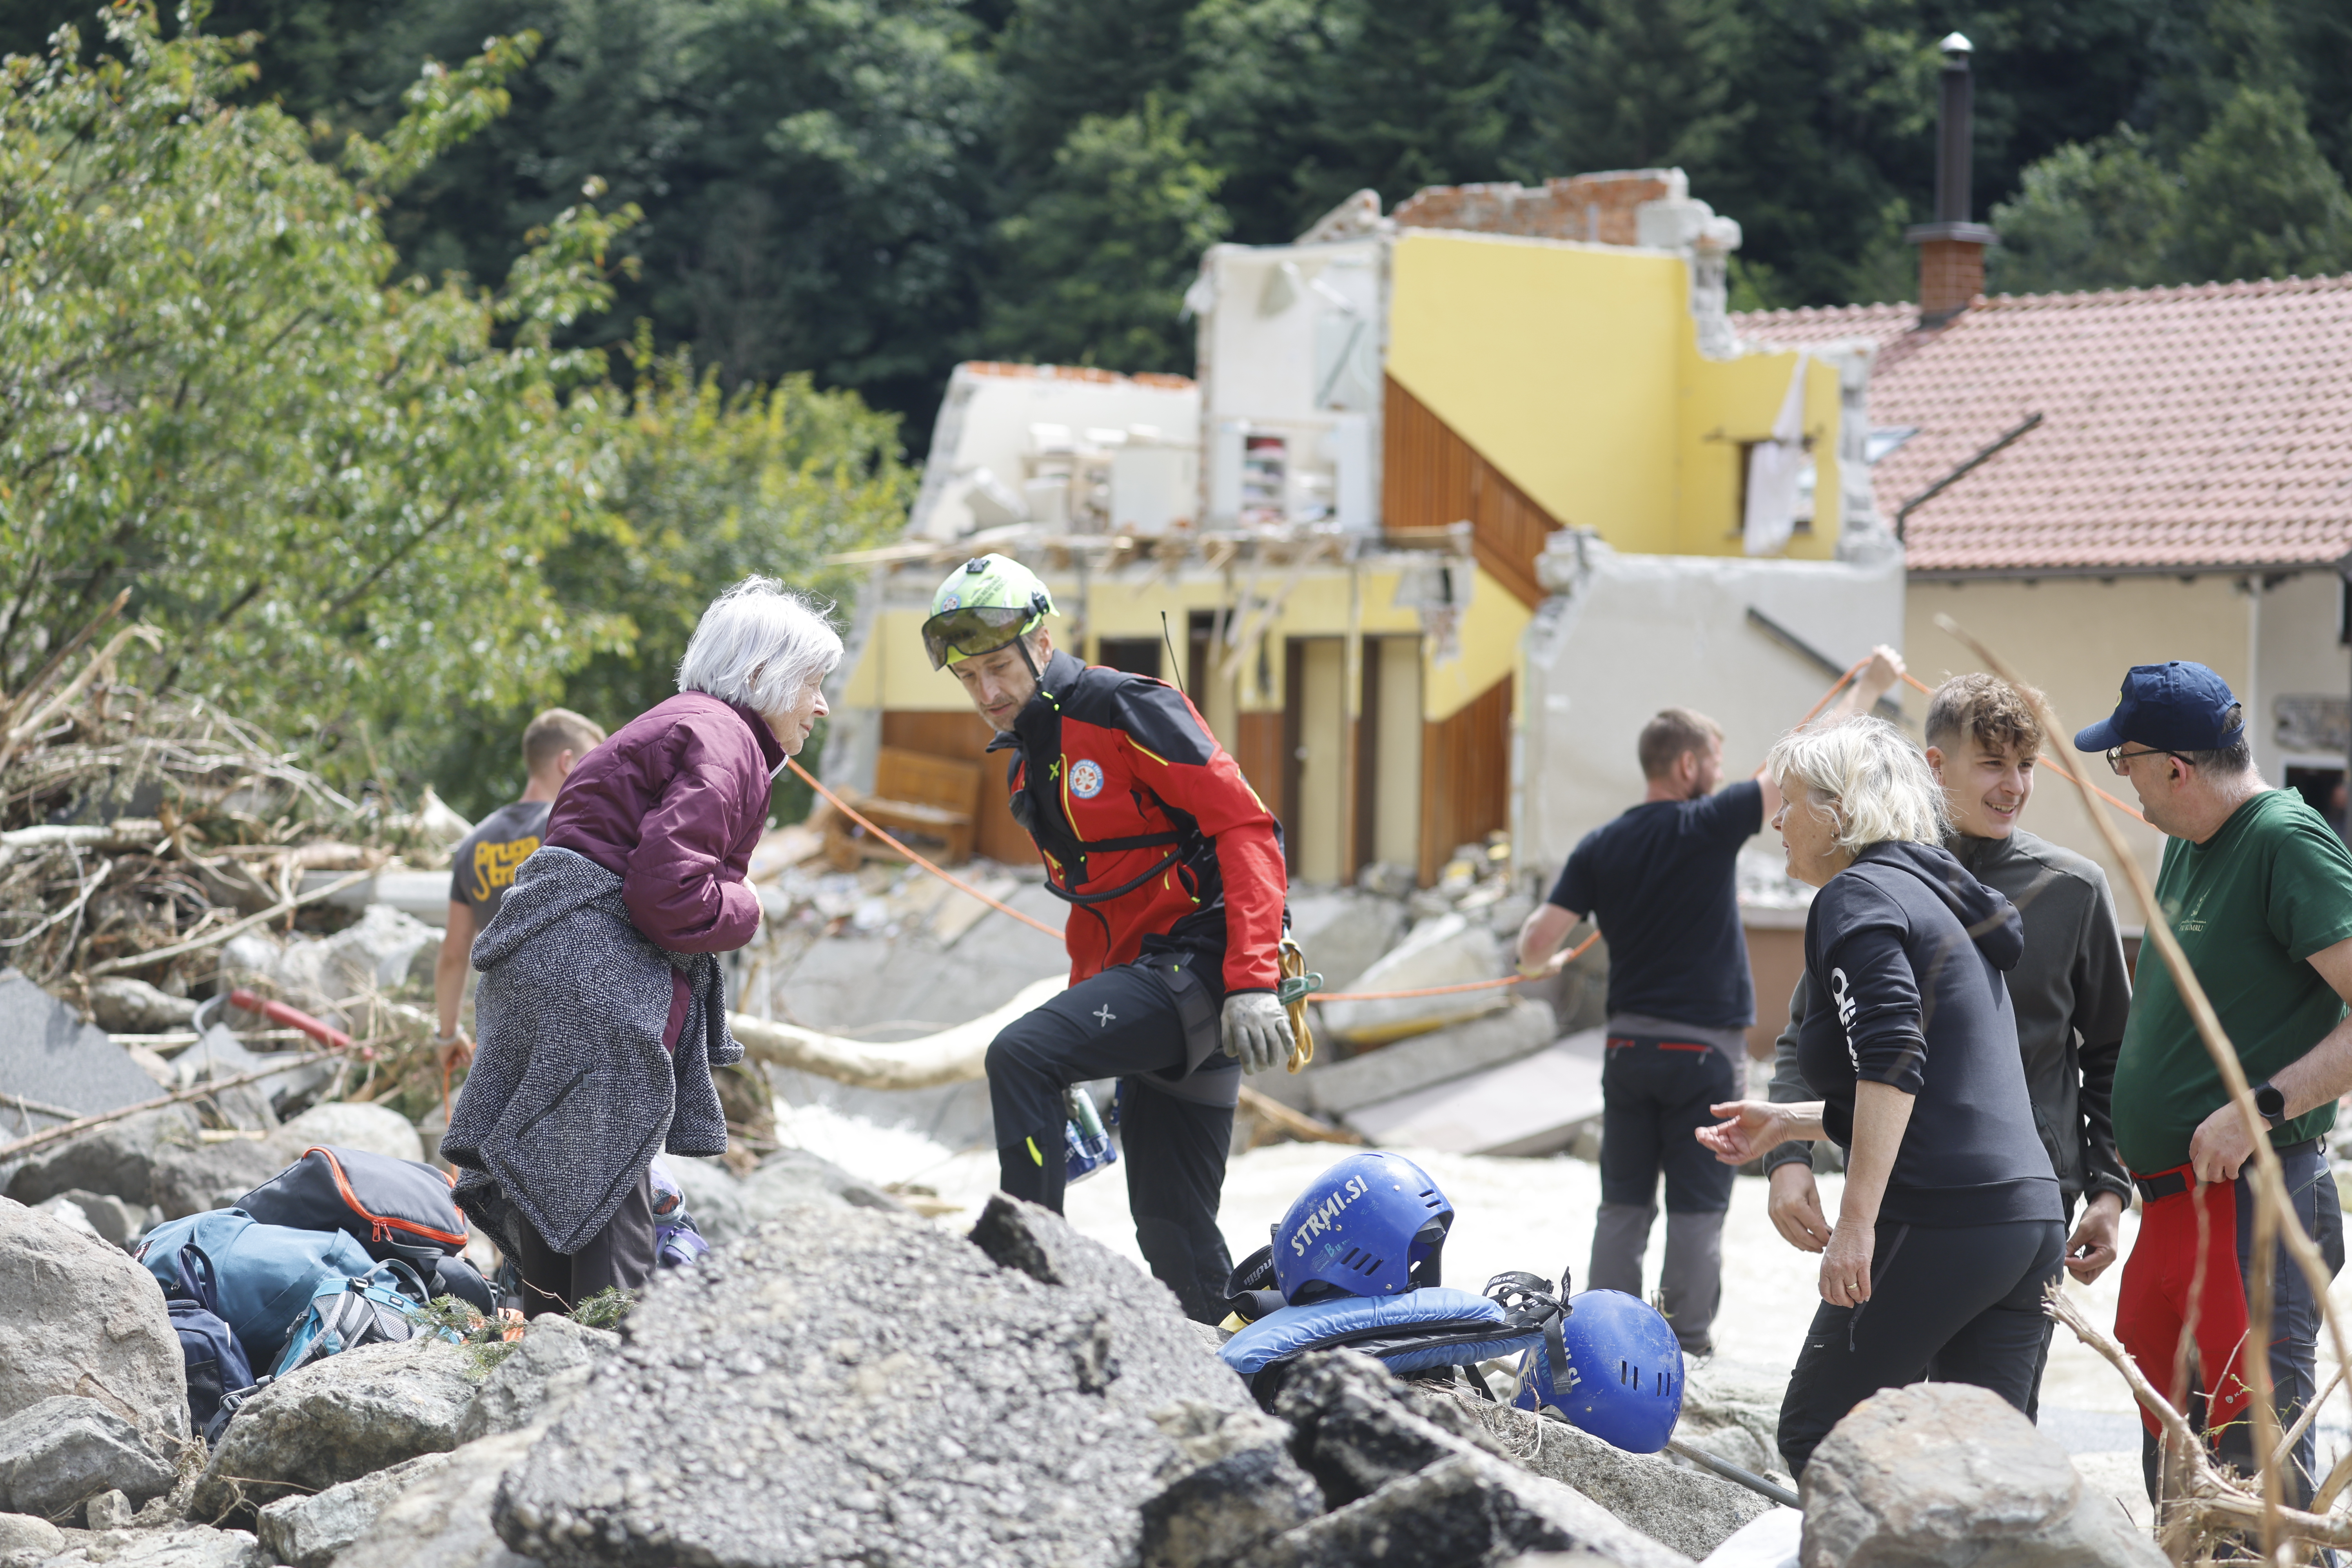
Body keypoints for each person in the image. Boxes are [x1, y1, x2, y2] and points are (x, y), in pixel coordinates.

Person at [442, 578, 838, 1316]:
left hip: (541, 963)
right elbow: (667, 895)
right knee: (610, 1224)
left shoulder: (681, 724)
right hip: (594, 984)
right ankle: (608, 1404)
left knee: (557, 1206)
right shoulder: (727, 743)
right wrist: (747, 906)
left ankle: (538, 1388)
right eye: (813, 684)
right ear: (761, 677)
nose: (821, 705)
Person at [920, 554, 1287, 1323]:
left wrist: (1254, 979)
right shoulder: (1029, 761)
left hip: (1204, 971)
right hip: (1149, 984)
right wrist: (1089, 1018)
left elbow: (1247, 826)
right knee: (1170, 1226)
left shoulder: (1126, 707)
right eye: (969, 679)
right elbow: (1097, 910)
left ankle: (1027, 1275)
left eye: (998, 667)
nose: (987, 693)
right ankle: (1241, 1379)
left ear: (1041, 643)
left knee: (1019, 1051)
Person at [1762, 670, 2132, 1418]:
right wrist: (1787, 1156)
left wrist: (2109, 1189)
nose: (2015, 785)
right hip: (1921, 1192)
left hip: (2008, 1199)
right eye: (1993, 763)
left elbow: (2110, 1054)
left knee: (1861, 1428)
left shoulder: (2072, 888)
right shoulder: (1897, 874)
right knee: (1945, 1440)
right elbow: (1815, 1032)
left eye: (2027, 766)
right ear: (1934, 767)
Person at [1699, 717, 2063, 1478]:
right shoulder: (1937, 894)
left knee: (1819, 1437)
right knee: (1983, 1468)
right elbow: (1936, 1086)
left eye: (1791, 801)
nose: (1777, 819)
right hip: (2026, 1217)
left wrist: (1855, 1226)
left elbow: (1895, 1056)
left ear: (1838, 810)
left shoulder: (1857, 894)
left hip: (1944, 1214)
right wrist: (1791, 1121)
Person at [1515, 651, 1902, 1356]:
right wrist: (1870, 687)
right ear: (1688, 766)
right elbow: (1804, 767)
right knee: (1698, 1205)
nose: (1725, 775)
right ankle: (1685, 1344)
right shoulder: (1708, 823)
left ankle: (1602, 1337)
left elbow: (1535, 945)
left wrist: (1547, 956)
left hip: (1628, 1048)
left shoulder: (1601, 844)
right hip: (1703, 1052)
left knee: (1623, 1203)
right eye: (1717, 760)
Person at [2077, 661, 2352, 1506]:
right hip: (2178, 1205)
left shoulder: (2283, 839)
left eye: (2124, 760)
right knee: (2181, 1466)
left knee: (2252, 1471)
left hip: (2256, 1201)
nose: (2123, 781)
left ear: (2175, 768)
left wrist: (2260, 1108)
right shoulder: (2191, 843)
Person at [432, 708, 607, 1077]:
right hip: (573, 1030)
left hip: (501, 1031)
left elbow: (453, 953)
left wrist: (447, 1036)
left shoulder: (472, 845)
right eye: (595, 762)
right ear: (567, 762)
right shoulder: (574, 826)